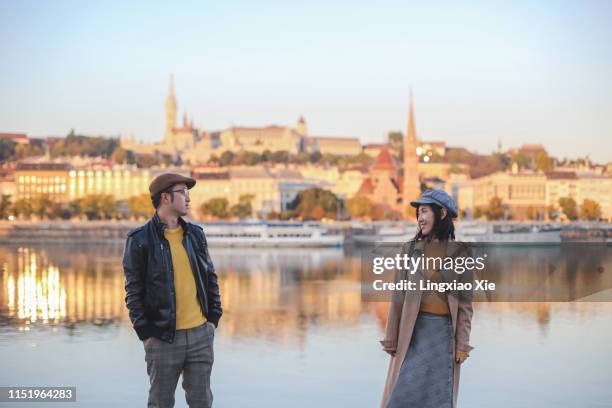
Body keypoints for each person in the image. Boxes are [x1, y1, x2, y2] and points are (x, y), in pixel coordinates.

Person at [123, 173, 222, 408]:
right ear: (165, 198)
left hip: (200, 334)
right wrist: (145, 333)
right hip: (162, 337)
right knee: (161, 403)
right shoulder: (139, 239)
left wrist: (213, 320)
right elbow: (133, 291)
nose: (188, 199)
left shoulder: (195, 234)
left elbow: (210, 278)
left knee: (202, 402)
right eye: (183, 192)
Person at [379, 189, 474, 408]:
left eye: (424, 211)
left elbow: (465, 307)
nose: (420, 218)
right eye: (418, 213)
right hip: (412, 333)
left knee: (438, 397)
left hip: (443, 337)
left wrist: (462, 344)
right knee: (401, 395)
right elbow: (397, 298)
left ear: (441, 214)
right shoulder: (408, 251)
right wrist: (391, 336)